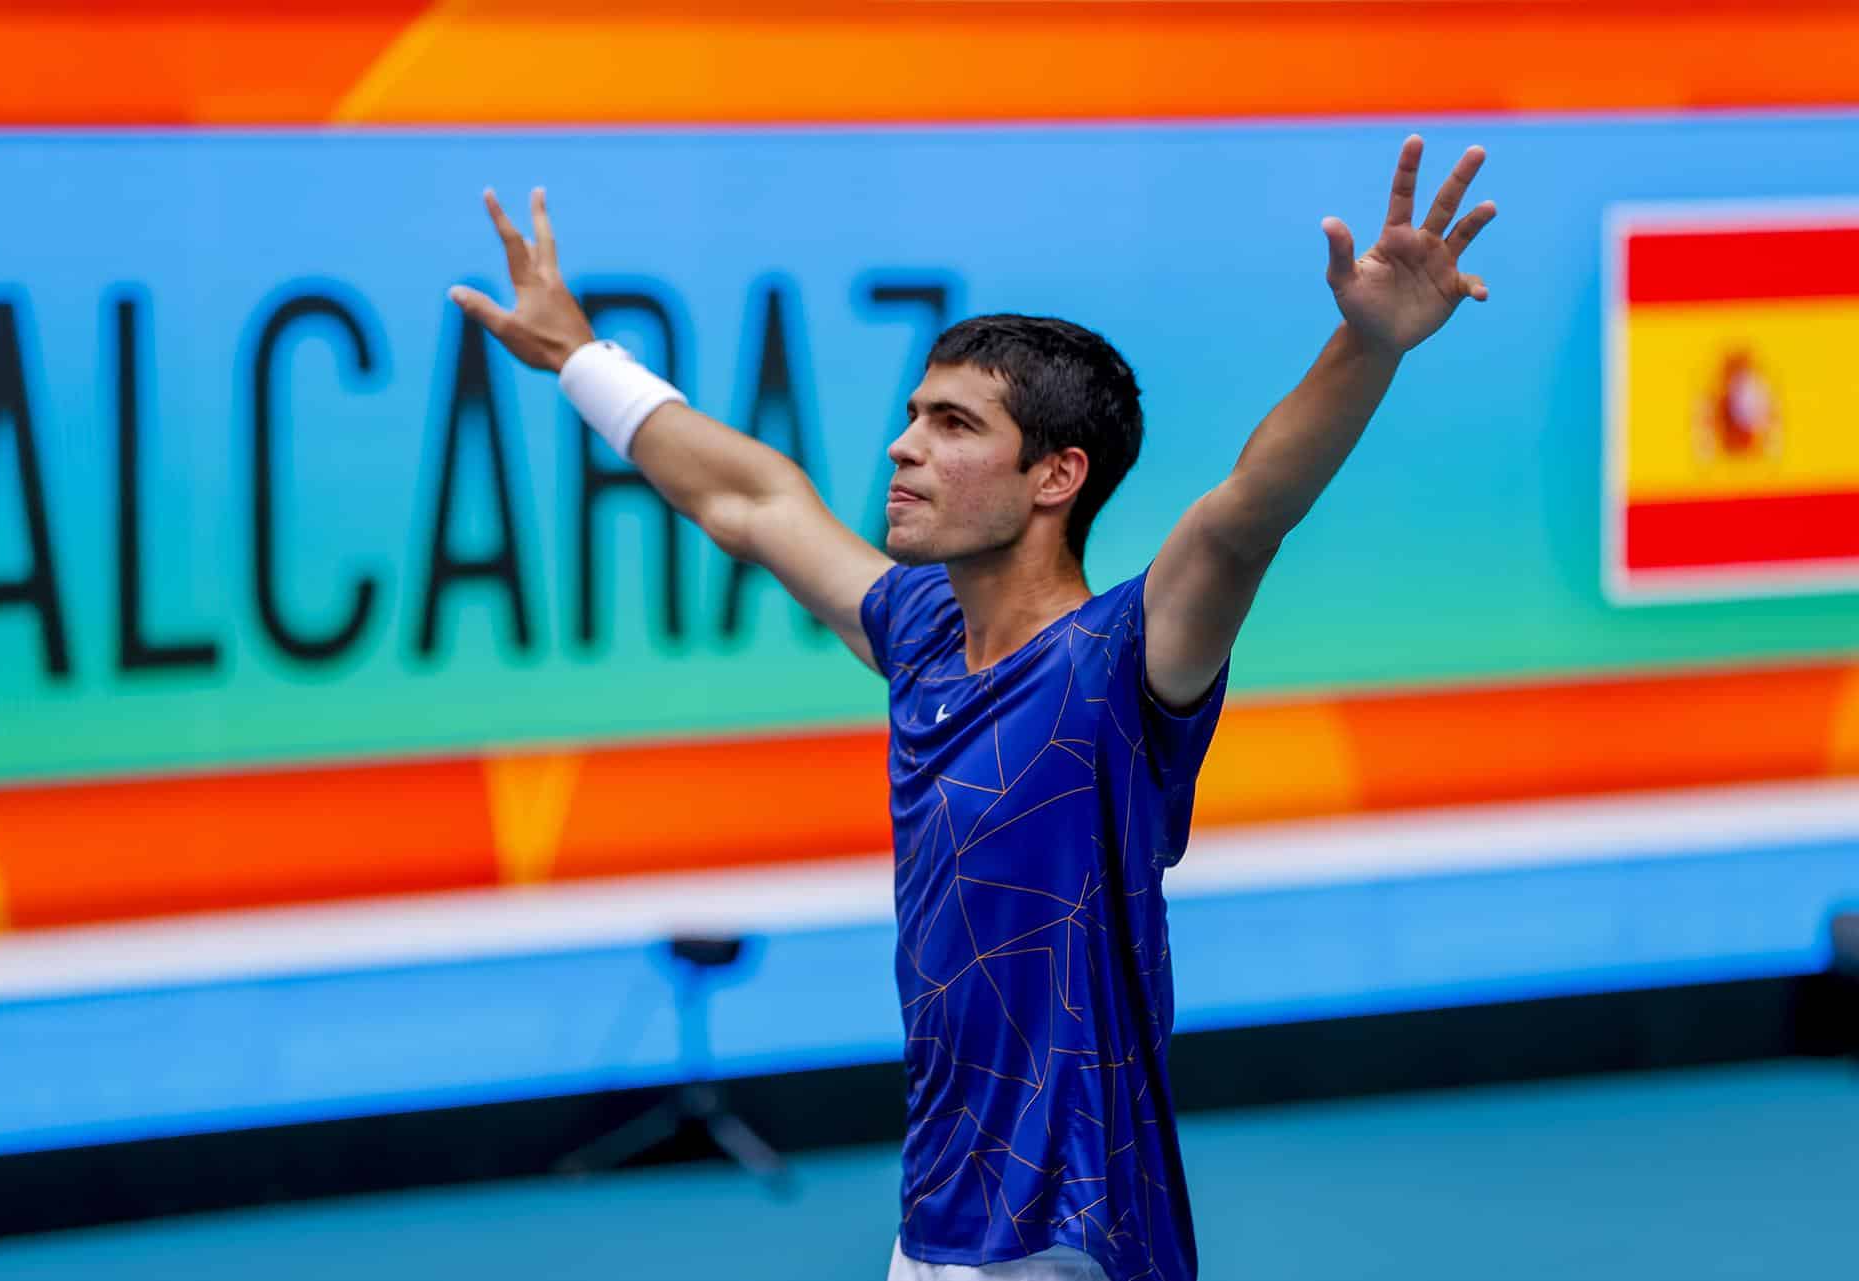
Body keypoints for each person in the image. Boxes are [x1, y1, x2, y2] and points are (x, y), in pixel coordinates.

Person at [452, 134, 1495, 1281]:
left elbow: (1248, 511)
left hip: (1069, 1239)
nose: (903, 446)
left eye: (954, 425)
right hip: (939, 1222)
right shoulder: (922, 637)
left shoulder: (1119, 663)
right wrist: (578, 356)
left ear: (1057, 476)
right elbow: (751, 497)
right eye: (914, 415)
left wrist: (1367, 343)